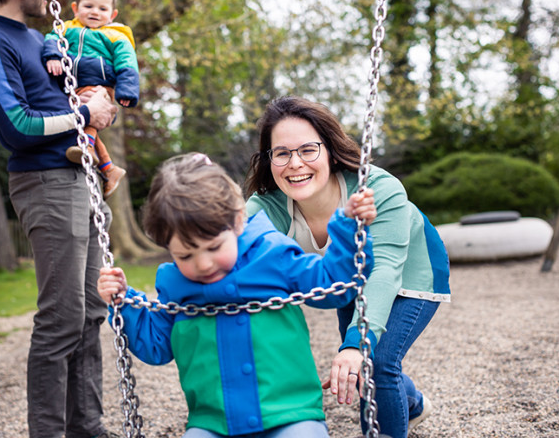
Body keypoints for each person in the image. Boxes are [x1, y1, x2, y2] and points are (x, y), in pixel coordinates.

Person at [97, 152, 377, 438]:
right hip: (213, 423)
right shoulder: (175, 284)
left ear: (238, 221)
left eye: (214, 247)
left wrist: (349, 230)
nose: (203, 264)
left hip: (290, 413)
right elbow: (156, 346)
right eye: (185, 254)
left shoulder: (272, 255)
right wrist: (123, 303)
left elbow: (336, 284)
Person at [0, 0, 119, 437]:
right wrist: (82, 111)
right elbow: (17, 126)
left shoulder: (41, 40)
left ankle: (87, 427)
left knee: (93, 310)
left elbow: (74, 101)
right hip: (47, 184)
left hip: (84, 178)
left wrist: (102, 108)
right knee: (62, 317)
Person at [243, 96, 451, 438]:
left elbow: (385, 270)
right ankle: (411, 403)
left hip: (412, 270)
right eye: (281, 153)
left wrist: (357, 344)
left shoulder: (377, 189)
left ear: (329, 150)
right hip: (348, 276)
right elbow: (234, 256)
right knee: (360, 358)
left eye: (308, 150)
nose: (295, 164)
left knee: (373, 360)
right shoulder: (266, 207)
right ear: (268, 159)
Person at [42, 0, 140, 198]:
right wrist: (53, 56)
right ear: (76, 8)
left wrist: (127, 91)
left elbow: (127, 64)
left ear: (112, 14)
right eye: (88, 6)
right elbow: (51, 39)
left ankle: (86, 148)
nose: (95, 12)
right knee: (82, 119)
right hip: (72, 87)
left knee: (91, 115)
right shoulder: (67, 28)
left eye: (102, 9)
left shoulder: (116, 36)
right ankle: (109, 169)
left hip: (101, 86)